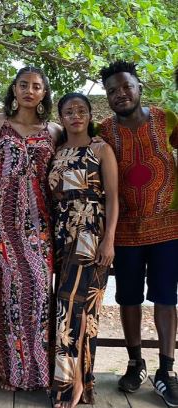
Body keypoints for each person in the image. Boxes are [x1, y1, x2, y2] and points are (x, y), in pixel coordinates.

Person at [99, 61, 178, 407]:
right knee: (128, 298)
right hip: (125, 232)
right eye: (112, 91)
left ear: (138, 87)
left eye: (126, 86)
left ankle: (167, 370)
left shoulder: (166, 119)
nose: (120, 94)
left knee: (166, 297)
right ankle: (135, 363)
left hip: (168, 228)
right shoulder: (103, 131)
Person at [0, 66, 61, 391]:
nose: (30, 91)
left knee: (40, 287)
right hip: (1, 214)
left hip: (40, 215)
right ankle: (12, 371)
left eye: (36, 86)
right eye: (24, 85)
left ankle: (39, 371)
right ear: (14, 89)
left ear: (44, 93)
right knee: (11, 287)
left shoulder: (54, 130)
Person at [48, 93, 118, 407]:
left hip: (91, 232)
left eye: (81, 111)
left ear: (90, 115)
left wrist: (109, 239)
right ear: (60, 118)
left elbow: (113, 197)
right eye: (68, 111)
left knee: (75, 306)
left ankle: (71, 384)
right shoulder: (57, 151)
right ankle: (81, 379)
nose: (75, 116)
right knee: (70, 307)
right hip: (61, 234)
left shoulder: (101, 149)